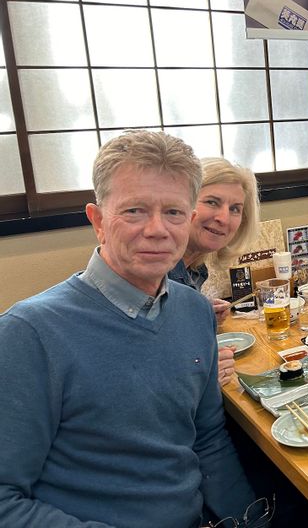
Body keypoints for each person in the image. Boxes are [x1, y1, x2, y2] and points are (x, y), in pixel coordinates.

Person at [0, 131, 255, 526]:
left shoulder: (194, 311)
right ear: (98, 221)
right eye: (134, 210)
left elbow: (208, 440)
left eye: (172, 213)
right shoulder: (28, 333)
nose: (157, 229)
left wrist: (250, 520)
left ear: (188, 221)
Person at [169, 158, 260, 386]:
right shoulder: (158, 273)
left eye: (235, 209)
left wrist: (200, 312)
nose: (223, 218)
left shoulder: (195, 268)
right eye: (211, 202)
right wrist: (201, 371)